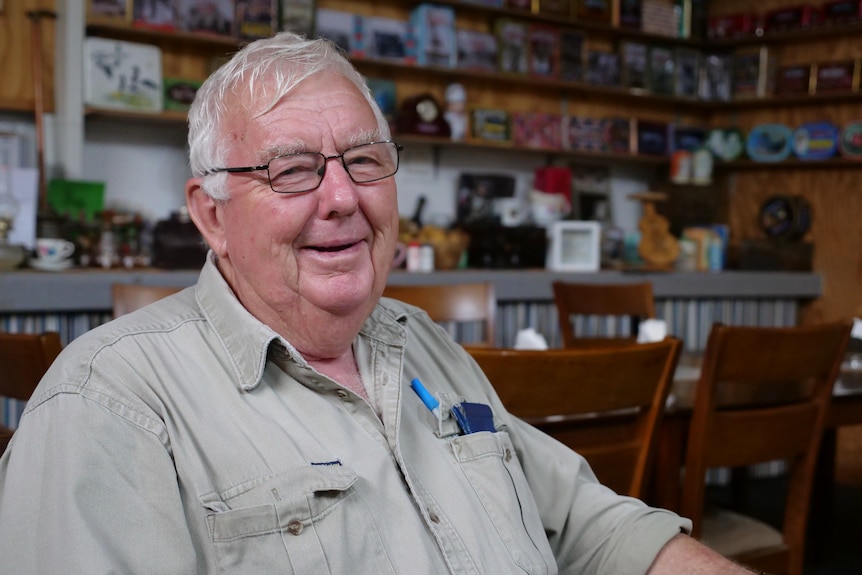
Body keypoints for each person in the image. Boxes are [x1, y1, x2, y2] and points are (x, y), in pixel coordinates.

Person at [0, 32, 756, 574]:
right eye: (290, 170)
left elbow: (584, 524)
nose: (342, 197)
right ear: (210, 214)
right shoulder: (108, 404)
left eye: (364, 160)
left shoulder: (421, 341)